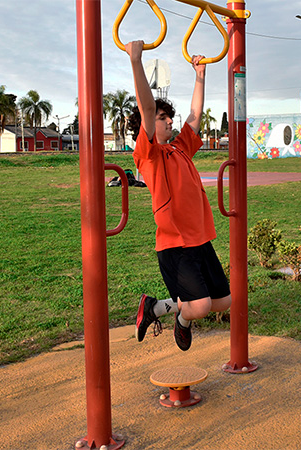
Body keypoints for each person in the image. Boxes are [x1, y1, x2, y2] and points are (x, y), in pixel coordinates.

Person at [125, 40, 231, 351]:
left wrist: (200, 75)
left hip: (200, 239)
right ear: (147, 126)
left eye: (169, 117)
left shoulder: (180, 147)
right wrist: (135, 61)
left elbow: (195, 116)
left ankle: (157, 308)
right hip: (176, 245)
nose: (170, 121)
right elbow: (146, 107)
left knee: (223, 301)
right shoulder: (148, 154)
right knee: (198, 307)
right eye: (163, 118)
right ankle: (177, 317)